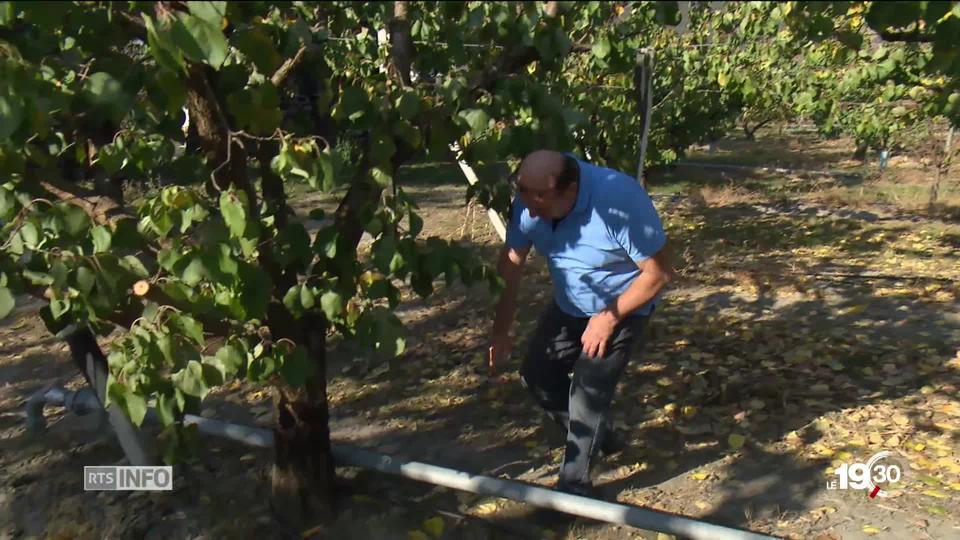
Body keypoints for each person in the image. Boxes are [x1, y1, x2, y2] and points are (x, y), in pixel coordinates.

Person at [488, 149, 674, 499]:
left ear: (570, 189)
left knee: (588, 392)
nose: (529, 210)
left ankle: (574, 488)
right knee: (537, 376)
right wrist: (502, 330)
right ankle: (601, 437)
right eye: (524, 196)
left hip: (624, 304)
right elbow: (512, 261)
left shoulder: (618, 202)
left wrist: (607, 318)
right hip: (570, 302)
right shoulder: (532, 193)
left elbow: (660, 273)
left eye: (539, 201)